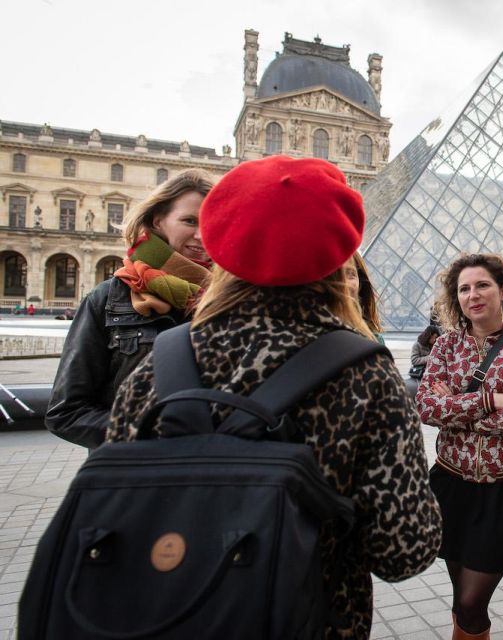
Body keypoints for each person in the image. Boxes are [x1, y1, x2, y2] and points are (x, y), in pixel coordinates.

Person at [106, 155, 441, 639]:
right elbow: (404, 550)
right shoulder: (365, 375)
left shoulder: (161, 362)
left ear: (223, 240)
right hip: (310, 617)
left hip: (171, 614)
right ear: (339, 248)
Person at [416, 253, 503, 640]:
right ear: (455, 298)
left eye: (482, 285)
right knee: (463, 602)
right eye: (464, 289)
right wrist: (494, 400)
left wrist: (457, 408)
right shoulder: (445, 345)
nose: (473, 295)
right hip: (451, 485)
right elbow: (427, 406)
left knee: (473, 602)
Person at [46, 169, 214, 448]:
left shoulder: (230, 299)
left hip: (213, 476)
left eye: (210, 222)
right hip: (133, 475)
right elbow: (66, 412)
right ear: (158, 221)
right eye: (189, 221)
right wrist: (149, 434)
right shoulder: (107, 300)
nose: (200, 234)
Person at [344, 252, 386, 345]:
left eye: (351, 275)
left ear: (361, 283)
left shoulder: (374, 340)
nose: (344, 283)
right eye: (333, 276)